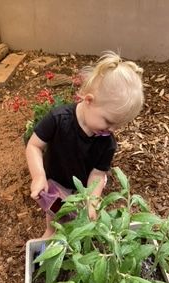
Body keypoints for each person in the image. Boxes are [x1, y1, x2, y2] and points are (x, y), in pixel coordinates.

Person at [26, 51, 144, 239]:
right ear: (89, 100)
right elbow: (34, 146)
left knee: (78, 218)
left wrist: (92, 201)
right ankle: (51, 231)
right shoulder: (59, 119)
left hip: (82, 189)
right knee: (55, 212)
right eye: (108, 121)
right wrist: (38, 176)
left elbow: (97, 174)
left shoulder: (107, 142)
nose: (111, 130)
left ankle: (75, 239)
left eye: (117, 125)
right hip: (56, 181)